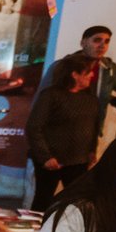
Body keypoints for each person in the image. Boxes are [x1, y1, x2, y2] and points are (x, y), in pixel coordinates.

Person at [26, 55, 101, 211]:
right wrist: (45, 156)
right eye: (87, 73)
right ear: (75, 74)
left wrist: (92, 150)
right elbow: (34, 126)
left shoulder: (90, 99)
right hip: (51, 160)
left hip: (78, 161)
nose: (92, 75)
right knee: (43, 199)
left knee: (76, 201)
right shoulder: (51, 95)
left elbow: (92, 126)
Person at [39, 24, 116, 141]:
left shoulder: (108, 69)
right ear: (83, 43)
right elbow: (42, 100)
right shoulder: (63, 66)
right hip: (58, 131)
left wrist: (111, 99)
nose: (102, 45)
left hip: (89, 132)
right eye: (97, 40)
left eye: (106, 41)